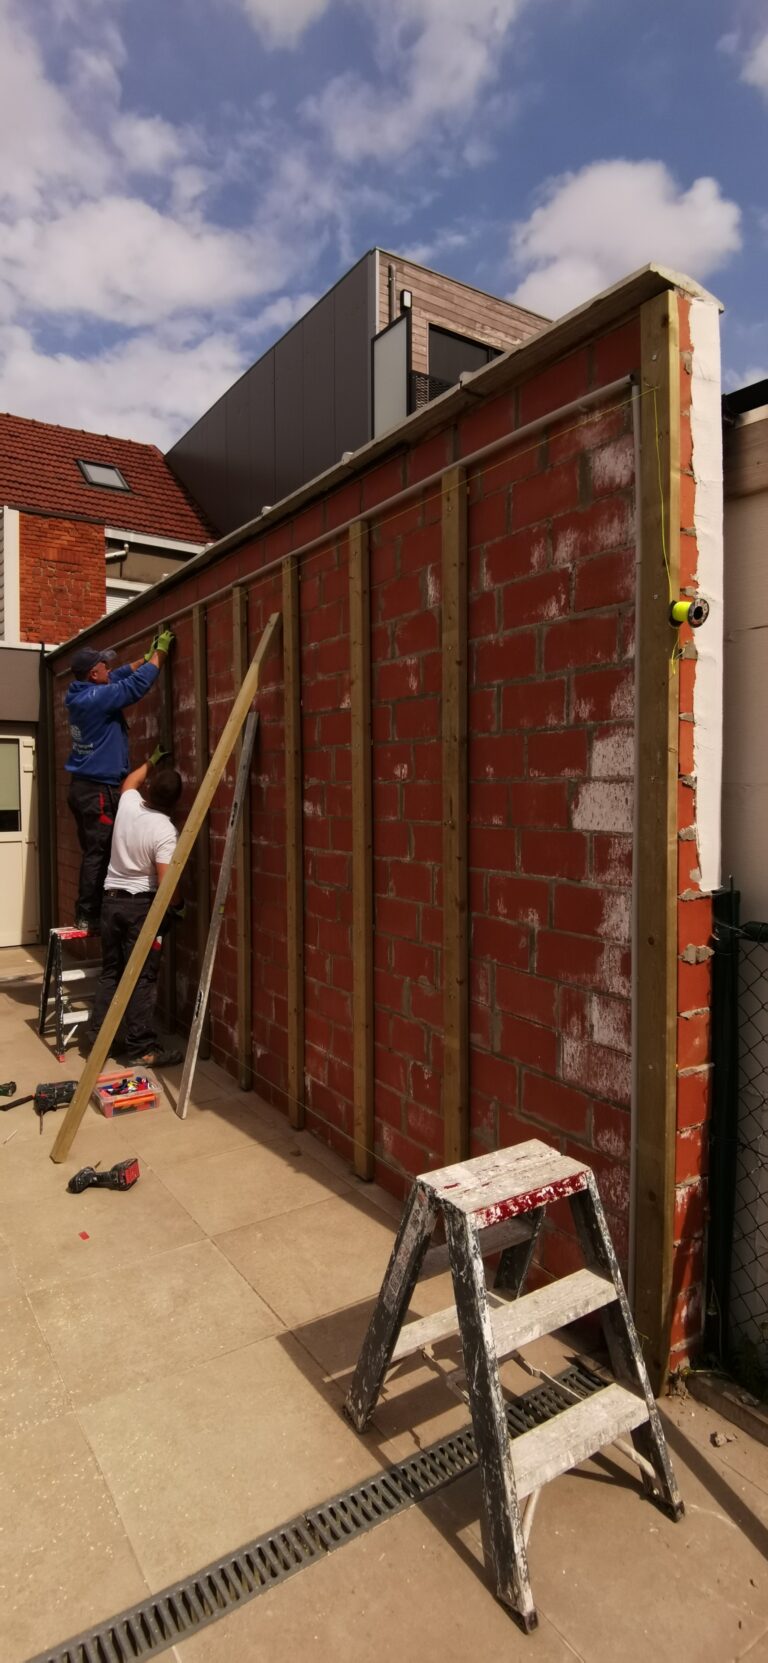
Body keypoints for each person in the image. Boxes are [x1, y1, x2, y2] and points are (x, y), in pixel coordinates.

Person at [65, 630, 174, 931]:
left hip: (83, 788)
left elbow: (118, 676)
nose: (109, 668)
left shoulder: (80, 693)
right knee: (99, 852)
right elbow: (133, 688)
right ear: (93, 674)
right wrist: (160, 656)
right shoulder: (97, 698)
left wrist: (142, 659)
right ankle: (88, 914)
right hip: (98, 792)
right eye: (104, 665)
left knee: (94, 851)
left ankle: (92, 909)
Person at [83, 755, 184, 1069]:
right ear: (175, 802)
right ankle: (141, 1047)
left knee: (111, 971)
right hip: (140, 909)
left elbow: (130, 782)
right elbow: (168, 887)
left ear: (149, 789)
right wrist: (179, 906)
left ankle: (101, 1038)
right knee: (142, 976)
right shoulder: (165, 830)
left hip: (110, 902)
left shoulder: (128, 804)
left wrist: (151, 761)